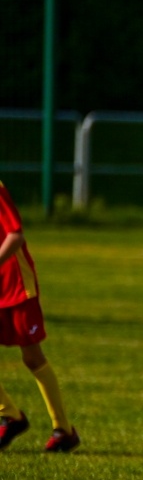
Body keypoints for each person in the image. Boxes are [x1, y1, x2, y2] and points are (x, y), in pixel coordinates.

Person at [0, 180, 78, 453]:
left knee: (32, 357)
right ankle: (9, 415)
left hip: (17, 286)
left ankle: (64, 430)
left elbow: (15, 235)